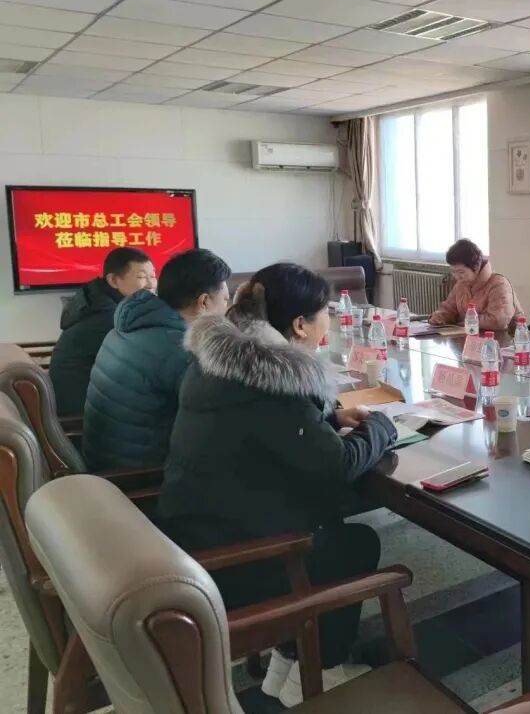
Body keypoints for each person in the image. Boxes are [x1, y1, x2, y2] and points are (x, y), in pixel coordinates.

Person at [158, 262, 397, 706]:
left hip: (196, 530)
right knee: (354, 544)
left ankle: (288, 665)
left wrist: (327, 419)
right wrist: (381, 427)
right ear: (300, 325)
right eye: (325, 313)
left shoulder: (223, 360)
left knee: (335, 531)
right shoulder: (273, 380)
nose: (329, 321)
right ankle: (322, 670)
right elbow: (338, 465)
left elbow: (262, 428)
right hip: (237, 556)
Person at [81, 248, 232, 471]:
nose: (227, 310)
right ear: (204, 302)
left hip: (103, 462)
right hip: (140, 476)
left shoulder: (125, 328)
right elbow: (219, 417)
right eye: (226, 300)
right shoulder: (179, 349)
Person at [49, 247, 155, 417]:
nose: (151, 285)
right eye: (142, 277)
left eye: (153, 276)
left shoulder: (97, 302)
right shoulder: (109, 317)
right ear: (114, 280)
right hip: (82, 415)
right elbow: (139, 369)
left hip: (88, 403)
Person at [428, 238, 522, 331]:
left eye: (461, 272)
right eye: (453, 272)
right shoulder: (461, 284)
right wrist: (440, 317)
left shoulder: (498, 284)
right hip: (471, 334)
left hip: (505, 337)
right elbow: (449, 309)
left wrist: (464, 321)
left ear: (476, 267)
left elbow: (498, 321)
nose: (457, 277)